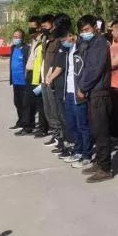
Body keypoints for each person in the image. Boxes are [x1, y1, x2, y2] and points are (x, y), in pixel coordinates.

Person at [76, 15, 113, 183]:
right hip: (93, 91)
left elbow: (94, 69)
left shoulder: (99, 43)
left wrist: (83, 87)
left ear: (95, 27)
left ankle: (105, 168)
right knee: (95, 130)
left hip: (99, 91)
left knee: (101, 131)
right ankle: (99, 162)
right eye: (82, 31)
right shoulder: (89, 43)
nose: (84, 33)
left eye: (87, 29)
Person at [61, 31, 94, 168]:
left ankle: (87, 154)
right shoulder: (68, 50)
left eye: (64, 38)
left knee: (83, 125)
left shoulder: (83, 47)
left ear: (71, 35)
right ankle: (78, 151)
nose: (63, 42)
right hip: (69, 91)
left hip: (78, 91)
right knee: (72, 124)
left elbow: (87, 70)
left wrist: (83, 88)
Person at [45, 14, 71, 156]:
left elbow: (61, 66)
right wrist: (49, 75)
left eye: (55, 25)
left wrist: (51, 77)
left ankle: (69, 144)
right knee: (60, 115)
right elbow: (55, 62)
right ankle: (63, 142)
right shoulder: (60, 42)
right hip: (57, 83)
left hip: (64, 84)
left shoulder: (68, 41)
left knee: (65, 117)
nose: (53, 28)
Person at [20, 16, 49, 137]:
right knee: (27, 102)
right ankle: (28, 126)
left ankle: (43, 128)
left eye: (33, 27)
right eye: (29, 27)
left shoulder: (44, 40)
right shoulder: (33, 40)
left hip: (39, 76)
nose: (30, 29)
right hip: (30, 75)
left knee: (40, 103)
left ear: (39, 28)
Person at [8, 29, 31, 134]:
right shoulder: (13, 48)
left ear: (22, 38)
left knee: (25, 104)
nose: (15, 39)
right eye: (14, 37)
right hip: (15, 81)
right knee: (17, 103)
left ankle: (27, 125)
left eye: (17, 37)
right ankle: (20, 121)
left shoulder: (26, 49)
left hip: (24, 82)